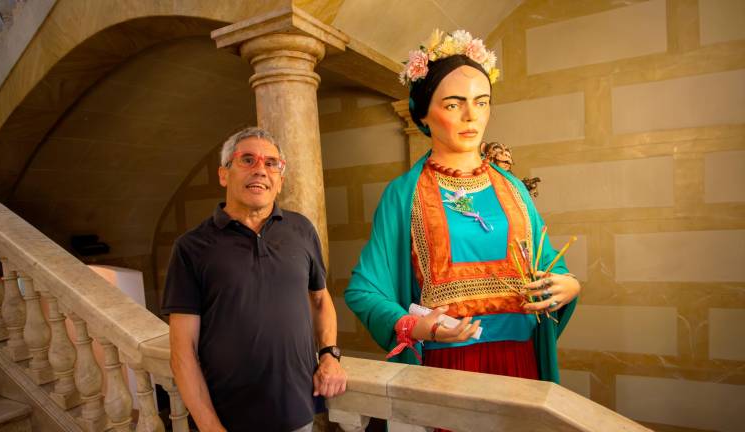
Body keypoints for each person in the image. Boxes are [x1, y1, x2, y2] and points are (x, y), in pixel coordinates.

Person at [345, 29, 580, 385]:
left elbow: (550, 265)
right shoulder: (403, 194)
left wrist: (567, 286)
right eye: (454, 104)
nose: (472, 115)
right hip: (446, 365)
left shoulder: (513, 188)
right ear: (422, 115)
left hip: (519, 359)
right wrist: (416, 325)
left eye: (482, 102)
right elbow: (364, 291)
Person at [162, 127, 346, 432]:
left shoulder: (301, 230)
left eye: (271, 163)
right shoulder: (191, 247)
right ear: (224, 174)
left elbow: (319, 298)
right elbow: (182, 352)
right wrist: (211, 428)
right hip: (229, 420)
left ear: (280, 180)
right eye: (247, 160)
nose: (261, 169)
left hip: (298, 413)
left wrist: (329, 354)